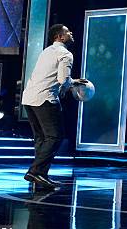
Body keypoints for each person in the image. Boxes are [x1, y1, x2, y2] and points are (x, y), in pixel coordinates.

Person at [22, 24, 85, 188]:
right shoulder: (65, 54)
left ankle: (40, 175)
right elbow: (63, 80)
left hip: (29, 98)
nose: (71, 32)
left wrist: (70, 83)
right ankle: (35, 172)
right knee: (55, 136)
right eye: (67, 31)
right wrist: (71, 84)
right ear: (60, 37)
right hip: (45, 99)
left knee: (42, 138)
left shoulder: (46, 51)